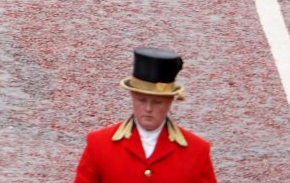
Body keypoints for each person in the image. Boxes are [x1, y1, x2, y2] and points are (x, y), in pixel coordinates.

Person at [73, 48, 217, 181]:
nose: (148, 108)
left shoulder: (197, 151)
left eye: (157, 102)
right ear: (132, 97)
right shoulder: (99, 144)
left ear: (170, 102)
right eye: (141, 100)